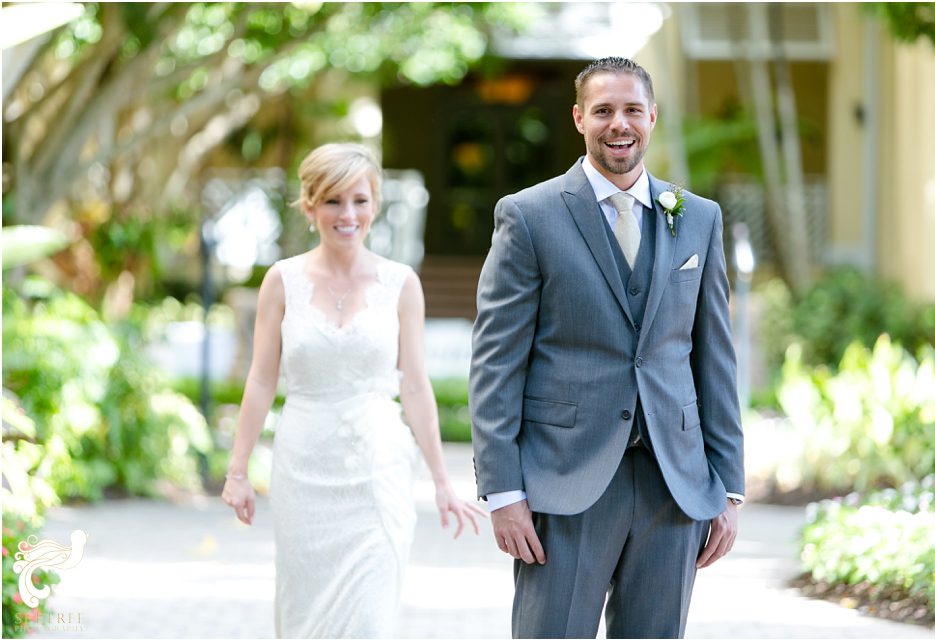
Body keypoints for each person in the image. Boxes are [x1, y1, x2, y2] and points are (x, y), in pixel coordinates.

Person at [470, 57, 745, 638]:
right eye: (602, 111)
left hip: (675, 484)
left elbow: (714, 360)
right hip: (565, 481)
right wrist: (503, 491)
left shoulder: (697, 218)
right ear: (578, 118)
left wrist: (729, 486)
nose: (617, 124)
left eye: (630, 110)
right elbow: (496, 364)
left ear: (652, 117)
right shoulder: (529, 216)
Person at [221, 142, 484, 638]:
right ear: (309, 206)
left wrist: (443, 482)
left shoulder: (401, 283)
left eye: (360, 200)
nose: (348, 214)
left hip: (377, 474)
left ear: (375, 205)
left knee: (370, 615)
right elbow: (260, 379)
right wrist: (238, 471)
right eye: (333, 201)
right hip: (302, 472)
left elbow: (415, 384)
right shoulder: (282, 281)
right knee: (305, 615)